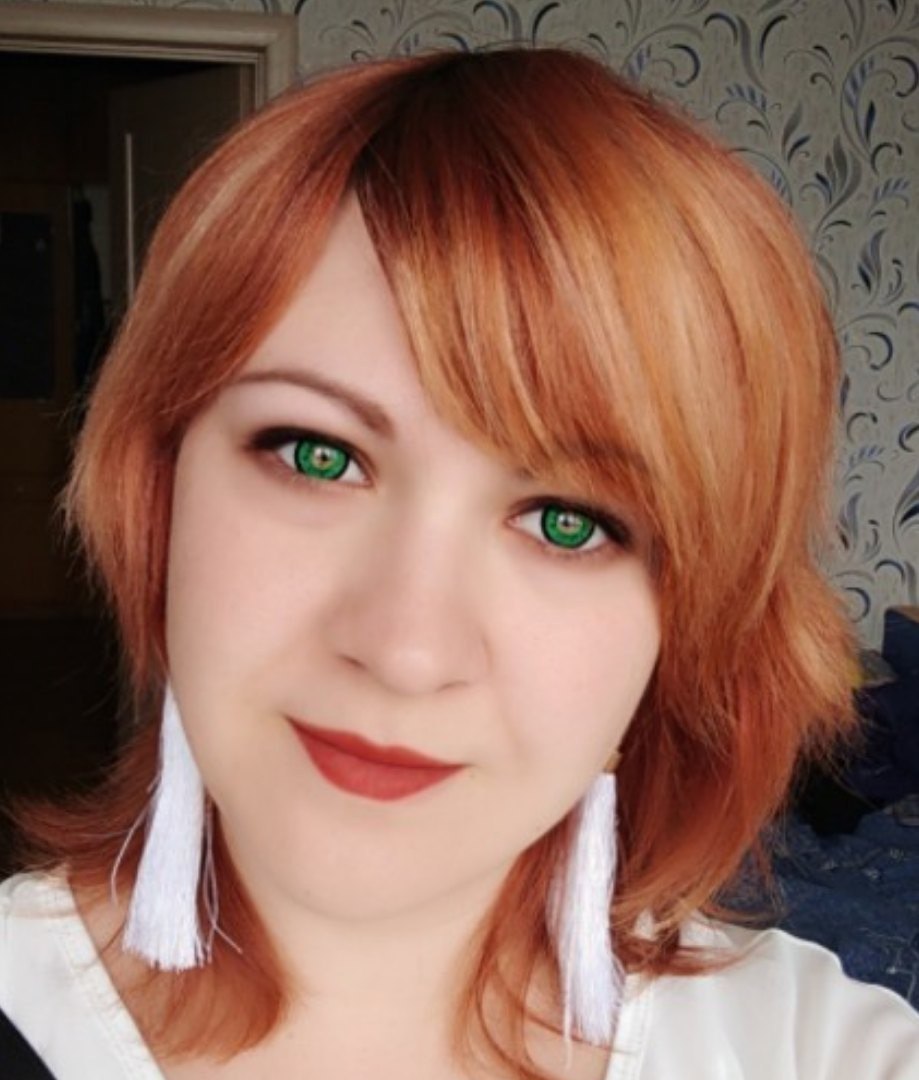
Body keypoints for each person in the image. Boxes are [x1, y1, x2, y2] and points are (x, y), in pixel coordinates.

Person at [1, 47, 917, 1080]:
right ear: (159, 496)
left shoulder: (815, 1052)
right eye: (318, 455)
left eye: (567, 522)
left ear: (685, 626)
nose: (406, 652)